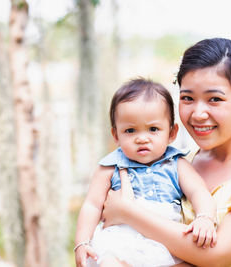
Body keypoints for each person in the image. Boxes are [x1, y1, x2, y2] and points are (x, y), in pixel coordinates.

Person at [101, 38, 231, 266]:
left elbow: (215, 255)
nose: (198, 113)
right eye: (187, 98)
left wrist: (127, 212)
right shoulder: (174, 162)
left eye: (215, 99)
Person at [74, 78, 217, 267]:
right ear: (116, 135)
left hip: (163, 241)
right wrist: (82, 242)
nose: (142, 138)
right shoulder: (110, 166)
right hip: (119, 240)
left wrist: (205, 217)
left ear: (172, 133)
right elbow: (92, 205)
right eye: (130, 130)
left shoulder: (176, 163)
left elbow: (199, 191)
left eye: (153, 129)